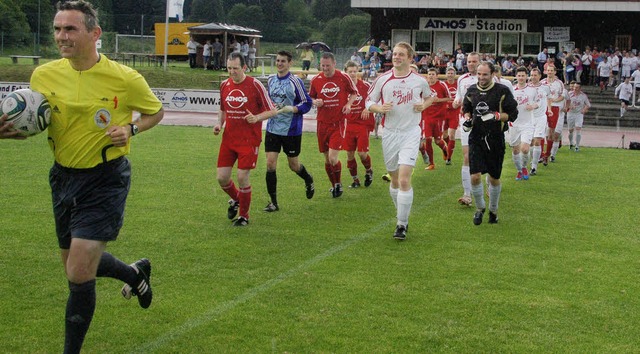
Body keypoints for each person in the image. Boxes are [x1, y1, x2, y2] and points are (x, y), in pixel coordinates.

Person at [0, 2, 164, 352]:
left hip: (105, 178)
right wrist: (11, 129)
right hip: (62, 177)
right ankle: (134, 274)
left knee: (78, 271)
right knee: (76, 266)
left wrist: (130, 128)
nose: (61, 36)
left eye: (70, 29)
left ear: (94, 33)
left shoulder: (125, 78)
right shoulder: (42, 76)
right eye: (58, 29)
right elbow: (36, 119)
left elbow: (155, 111)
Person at [366, 42, 434, 240]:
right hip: (389, 134)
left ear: (410, 58)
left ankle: (401, 225)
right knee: (395, 180)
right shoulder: (383, 80)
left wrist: (423, 105)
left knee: (404, 179)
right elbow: (368, 101)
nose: (396, 57)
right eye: (395, 54)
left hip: (411, 133)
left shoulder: (419, 81)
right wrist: (379, 109)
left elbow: (431, 97)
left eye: (401, 54)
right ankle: (401, 215)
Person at [214, 53, 278, 226]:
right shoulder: (224, 85)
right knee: (222, 178)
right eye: (229, 68)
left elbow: (272, 110)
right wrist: (219, 124)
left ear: (244, 67)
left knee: (242, 177)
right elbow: (223, 109)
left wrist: (256, 118)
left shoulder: (255, 85)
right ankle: (237, 199)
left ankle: (244, 216)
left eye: (235, 68)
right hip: (229, 140)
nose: (232, 72)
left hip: (249, 140)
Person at [462, 61, 518, 225]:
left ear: (493, 74)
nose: (481, 77)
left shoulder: (502, 91)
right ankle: (480, 209)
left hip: (495, 139)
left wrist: (497, 116)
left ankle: (493, 210)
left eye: (485, 74)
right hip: (476, 138)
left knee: (494, 178)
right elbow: (466, 109)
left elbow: (513, 113)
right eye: (479, 74)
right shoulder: (472, 90)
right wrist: (468, 119)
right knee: (475, 176)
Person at [262, 50, 315, 212]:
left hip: (291, 130)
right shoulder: (271, 80)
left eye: (283, 61)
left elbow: (307, 103)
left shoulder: (295, 81)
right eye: (277, 60)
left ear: (290, 63)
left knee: (293, 165)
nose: (279, 63)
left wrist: (290, 109)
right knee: (270, 164)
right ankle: (273, 202)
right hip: (272, 128)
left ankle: (308, 179)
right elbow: (266, 101)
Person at [309, 52, 357, 198]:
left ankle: (338, 184)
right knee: (326, 158)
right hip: (322, 123)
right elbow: (310, 96)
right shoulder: (316, 80)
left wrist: (348, 104)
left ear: (334, 63)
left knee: (333, 158)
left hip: (338, 122)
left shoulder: (343, 77)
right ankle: (334, 184)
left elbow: (354, 93)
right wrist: (314, 101)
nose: (325, 68)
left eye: (328, 66)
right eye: (323, 66)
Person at [452, 52, 480, 206]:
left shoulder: (487, 78)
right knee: (467, 156)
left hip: (483, 122)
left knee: (485, 155)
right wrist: (456, 102)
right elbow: (459, 97)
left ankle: (489, 183)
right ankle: (467, 194)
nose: (471, 64)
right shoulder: (462, 79)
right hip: (466, 121)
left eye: (474, 61)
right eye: (469, 61)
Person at [343, 60, 375, 188]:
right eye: (350, 72)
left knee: (362, 153)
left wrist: (368, 108)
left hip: (362, 124)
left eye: (354, 71)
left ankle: (369, 170)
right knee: (349, 154)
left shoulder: (365, 85)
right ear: (345, 72)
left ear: (358, 72)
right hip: (348, 124)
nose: (352, 74)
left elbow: (375, 98)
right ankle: (355, 180)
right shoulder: (342, 88)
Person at [510, 66, 539, 180]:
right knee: (516, 150)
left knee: (525, 149)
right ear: (516, 76)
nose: (521, 78)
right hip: (514, 124)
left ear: (526, 77)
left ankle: (524, 167)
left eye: (523, 75)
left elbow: (538, 102)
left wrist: (532, 106)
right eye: (519, 75)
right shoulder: (512, 90)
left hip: (528, 123)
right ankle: (519, 171)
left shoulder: (532, 90)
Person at [420, 67, 451, 170]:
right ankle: (431, 164)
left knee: (437, 140)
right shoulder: (424, 86)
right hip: (426, 116)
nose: (431, 76)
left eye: (433, 74)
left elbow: (450, 98)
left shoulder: (442, 85)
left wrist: (439, 100)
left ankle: (444, 148)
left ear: (437, 76)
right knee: (428, 139)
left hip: (439, 117)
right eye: (429, 74)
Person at [540, 65, 566, 164]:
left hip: (554, 108)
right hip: (543, 108)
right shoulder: (542, 82)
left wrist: (553, 100)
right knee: (541, 131)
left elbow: (562, 96)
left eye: (551, 70)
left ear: (555, 72)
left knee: (551, 132)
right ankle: (541, 154)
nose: (549, 72)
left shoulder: (559, 83)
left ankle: (547, 155)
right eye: (548, 70)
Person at [527, 68, 550, 176]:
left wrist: (549, 109)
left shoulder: (545, 87)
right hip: (530, 117)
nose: (533, 77)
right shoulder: (527, 87)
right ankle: (533, 160)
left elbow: (548, 99)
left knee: (537, 141)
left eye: (535, 75)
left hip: (541, 117)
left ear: (540, 76)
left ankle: (534, 167)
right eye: (531, 75)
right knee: (531, 142)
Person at [565, 81, 591, 151]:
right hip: (570, 113)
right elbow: (564, 102)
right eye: (574, 87)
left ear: (580, 88)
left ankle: (577, 146)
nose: (575, 89)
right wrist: (569, 106)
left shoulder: (583, 96)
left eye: (577, 87)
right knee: (570, 130)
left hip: (579, 114)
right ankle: (571, 143)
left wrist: (584, 109)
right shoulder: (569, 94)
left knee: (578, 128)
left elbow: (588, 104)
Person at [442, 66, 459, 165]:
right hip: (444, 112)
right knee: (444, 136)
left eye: (452, 73)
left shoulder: (458, 84)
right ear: (446, 74)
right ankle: (450, 147)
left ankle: (448, 157)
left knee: (452, 134)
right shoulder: (443, 85)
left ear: (455, 74)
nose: (450, 75)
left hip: (454, 112)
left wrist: (458, 104)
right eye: (448, 73)